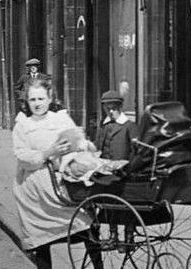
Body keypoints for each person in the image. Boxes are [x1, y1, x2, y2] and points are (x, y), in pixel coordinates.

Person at [12, 78, 102, 268]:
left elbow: (77, 140)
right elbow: (22, 156)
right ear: (27, 101)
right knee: (42, 240)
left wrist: (83, 145)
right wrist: (49, 152)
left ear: (49, 98)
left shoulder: (60, 119)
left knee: (86, 223)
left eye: (41, 99)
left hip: (61, 181)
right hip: (35, 191)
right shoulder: (23, 125)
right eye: (33, 99)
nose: (37, 104)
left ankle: (98, 266)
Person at [93, 89, 135, 161]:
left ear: (120, 107)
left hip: (122, 167)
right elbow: (97, 147)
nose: (111, 111)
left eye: (114, 108)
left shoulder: (129, 126)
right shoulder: (103, 125)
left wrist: (128, 166)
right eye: (107, 108)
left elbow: (134, 152)